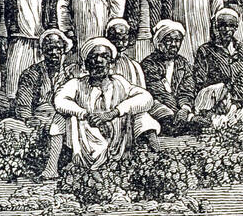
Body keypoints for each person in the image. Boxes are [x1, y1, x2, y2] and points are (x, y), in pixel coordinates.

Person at [54, 37, 160, 167]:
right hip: (88, 140)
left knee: (143, 116)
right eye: (93, 57)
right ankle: (53, 167)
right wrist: (85, 114)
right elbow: (59, 100)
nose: (98, 61)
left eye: (104, 57)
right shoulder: (77, 84)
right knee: (59, 118)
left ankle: (154, 157)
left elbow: (146, 97)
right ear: (86, 64)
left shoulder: (119, 82)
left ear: (110, 63)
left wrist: (113, 113)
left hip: (117, 139)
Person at [2, 29, 76, 177]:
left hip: (62, 118)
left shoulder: (70, 74)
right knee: (5, 125)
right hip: (38, 118)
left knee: (59, 122)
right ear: (43, 51)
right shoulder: (32, 73)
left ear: (63, 50)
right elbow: (23, 101)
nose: (54, 53)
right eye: (49, 49)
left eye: (57, 49)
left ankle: (51, 168)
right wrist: (28, 118)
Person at [189, 8, 243, 117]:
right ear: (217, 27)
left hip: (240, 104)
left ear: (236, 27)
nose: (226, 29)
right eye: (222, 25)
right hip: (215, 105)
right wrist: (215, 101)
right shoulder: (205, 50)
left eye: (231, 26)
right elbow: (199, 82)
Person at [140, 19, 198, 133]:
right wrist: (178, 112)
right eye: (169, 40)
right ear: (160, 42)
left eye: (177, 40)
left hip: (179, 108)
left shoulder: (183, 63)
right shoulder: (149, 63)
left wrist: (185, 108)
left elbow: (187, 90)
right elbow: (160, 93)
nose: (173, 44)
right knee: (165, 114)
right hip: (159, 105)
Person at [105, 18, 146, 88]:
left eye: (124, 39)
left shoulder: (135, 66)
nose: (120, 43)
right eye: (116, 39)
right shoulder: (102, 64)